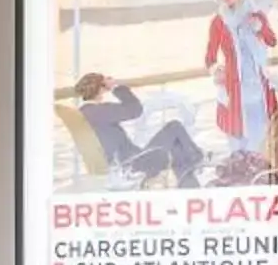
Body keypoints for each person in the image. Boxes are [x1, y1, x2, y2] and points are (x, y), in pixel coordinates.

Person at [73, 72, 206, 187]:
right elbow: (135, 110)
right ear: (101, 89)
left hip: (121, 162)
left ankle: (193, 168)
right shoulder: (99, 112)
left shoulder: (83, 114)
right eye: (104, 86)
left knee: (178, 150)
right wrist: (115, 87)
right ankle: (197, 159)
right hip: (134, 163)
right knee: (174, 127)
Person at [204, 0, 278, 166]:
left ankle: (259, 170)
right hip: (234, 87)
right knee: (236, 135)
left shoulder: (256, 15)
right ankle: (241, 173)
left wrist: (260, 29)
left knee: (260, 133)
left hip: (258, 83)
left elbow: (272, 41)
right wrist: (216, 70)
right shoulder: (218, 22)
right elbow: (210, 56)